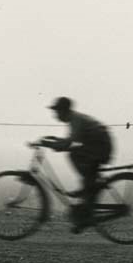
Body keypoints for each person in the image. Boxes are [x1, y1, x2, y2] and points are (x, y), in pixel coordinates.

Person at [42, 97, 113, 232]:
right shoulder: (74, 120)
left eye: (57, 111)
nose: (56, 115)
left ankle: (90, 186)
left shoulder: (76, 120)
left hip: (100, 147)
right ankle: (89, 190)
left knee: (74, 154)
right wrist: (55, 141)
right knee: (84, 170)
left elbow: (69, 143)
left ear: (64, 111)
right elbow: (70, 140)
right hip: (98, 146)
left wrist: (50, 144)